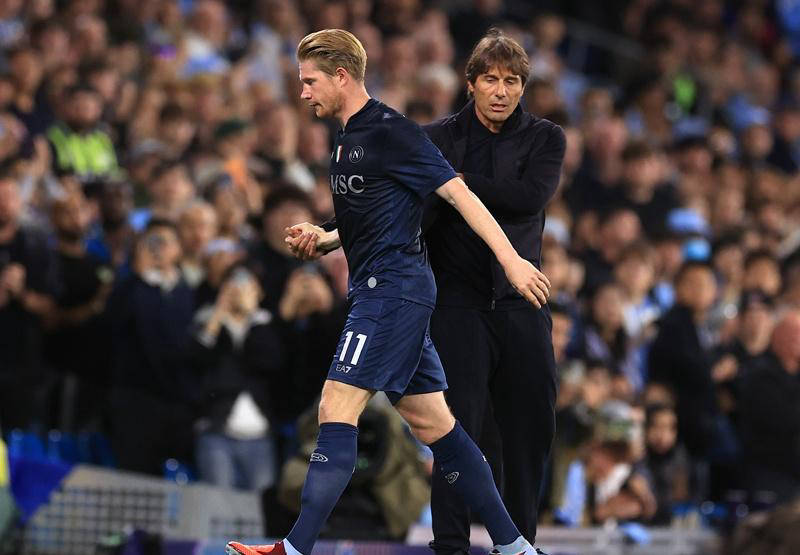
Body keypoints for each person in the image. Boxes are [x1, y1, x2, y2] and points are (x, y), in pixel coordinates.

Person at [226, 28, 551, 555]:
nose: (302, 92)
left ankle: (294, 548)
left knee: (336, 404)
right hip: (385, 291)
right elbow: (380, 213)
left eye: (310, 81)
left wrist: (511, 260)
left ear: (341, 76)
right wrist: (326, 237)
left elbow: (458, 195)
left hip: (391, 293)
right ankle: (516, 547)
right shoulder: (346, 137)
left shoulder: (392, 132)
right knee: (436, 425)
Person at [419, 29, 565, 554]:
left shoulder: (546, 137)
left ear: (524, 86)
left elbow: (530, 197)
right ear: (470, 83)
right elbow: (403, 202)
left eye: (512, 81)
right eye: (490, 80)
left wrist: (455, 183)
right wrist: (331, 233)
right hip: (457, 308)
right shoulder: (435, 138)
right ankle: (450, 546)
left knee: (530, 428)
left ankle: (519, 542)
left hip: (523, 303)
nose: (501, 91)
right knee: (454, 432)